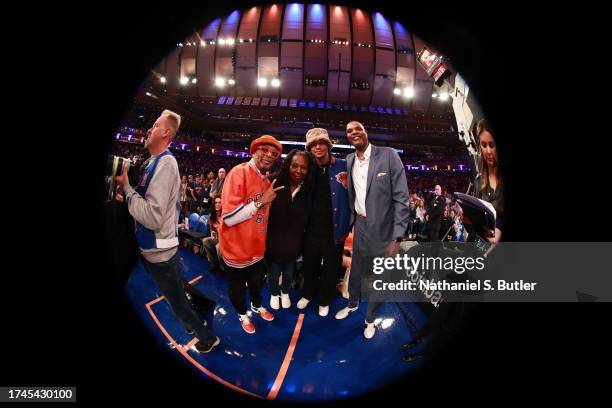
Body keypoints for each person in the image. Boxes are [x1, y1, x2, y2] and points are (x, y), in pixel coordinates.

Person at [114, 109, 219, 353]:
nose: (149, 129)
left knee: (177, 303)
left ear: (166, 132)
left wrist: (128, 190)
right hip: (155, 250)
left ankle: (207, 338)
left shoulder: (166, 163)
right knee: (175, 292)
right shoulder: (154, 163)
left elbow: (151, 216)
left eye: (154, 125)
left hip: (160, 252)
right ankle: (197, 315)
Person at [335, 121, 409, 340]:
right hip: (360, 224)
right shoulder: (348, 160)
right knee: (356, 270)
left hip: (385, 230)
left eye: (358, 128)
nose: (354, 132)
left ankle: (369, 319)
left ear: (366, 132)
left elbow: (402, 198)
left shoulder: (388, 155)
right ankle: (352, 304)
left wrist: (397, 236)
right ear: (347, 137)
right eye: (349, 131)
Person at [218, 135, 284, 334]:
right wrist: (260, 202)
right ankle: (241, 313)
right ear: (254, 151)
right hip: (236, 249)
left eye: (274, 153)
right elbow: (229, 218)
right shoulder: (239, 172)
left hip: (256, 249)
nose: (269, 155)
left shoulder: (266, 181)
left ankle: (256, 305)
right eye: (264, 150)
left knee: (256, 284)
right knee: (237, 287)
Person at [296, 128, 351, 317]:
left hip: (335, 232)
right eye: (313, 145)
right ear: (309, 148)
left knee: (331, 270)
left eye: (321, 143)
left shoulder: (345, 166)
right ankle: (308, 294)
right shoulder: (306, 169)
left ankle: (324, 300)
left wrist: (349, 225)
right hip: (310, 231)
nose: (317, 147)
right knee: (309, 266)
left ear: (328, 145)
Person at [265, 150, 312, 310]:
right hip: (273, 241)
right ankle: (274, 293)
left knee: (289, 273)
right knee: (273, 273)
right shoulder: (274, 182)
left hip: (295, 242)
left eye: (303, 167)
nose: (299, 170)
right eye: (295, 165)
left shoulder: (309, 189)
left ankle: (285, 293)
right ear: (288, 165)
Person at [474, 119, 504, 245]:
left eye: (492, 145)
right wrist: (469, 220)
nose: (488, 151)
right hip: (481, 248)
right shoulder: (478, 181)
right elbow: (476, 228)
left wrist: (500, 231)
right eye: (484, 145)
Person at [202, 197, 223, 274]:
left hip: (226, 240)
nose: (217, 204)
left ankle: (222, 268)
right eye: (216, 202)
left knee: (218, 247)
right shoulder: (212, 215)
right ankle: (214, 264)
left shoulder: (225, 214)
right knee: (205, 241)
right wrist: (213, 232)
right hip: (218, 238)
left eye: (219, 202)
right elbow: (212, 229)